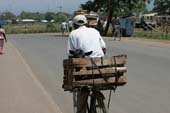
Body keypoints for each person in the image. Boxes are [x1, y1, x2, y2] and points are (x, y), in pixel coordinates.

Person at [67, 15, 106, 113]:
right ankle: (100, 101)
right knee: (96, 83)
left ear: (74, 25)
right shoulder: (95, 31)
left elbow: (69, 53)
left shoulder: (73, 33)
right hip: (100, 68)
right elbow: (104, 48)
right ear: (86, 23)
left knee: (83, 90)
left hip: (84, 70)